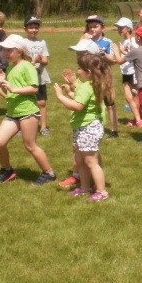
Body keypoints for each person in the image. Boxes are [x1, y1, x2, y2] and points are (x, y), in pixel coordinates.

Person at [0, 34, 57, 186]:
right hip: (12, 112)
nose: (6, 53)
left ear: (20, 51)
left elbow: (34, 88)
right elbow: (10, 92)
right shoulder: (11, 68)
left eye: (9, 50)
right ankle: (7, 170)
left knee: (30, 145)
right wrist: (1, 83)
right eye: (5, 50)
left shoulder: (27, 66)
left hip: (28, 112)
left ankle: (49, 173)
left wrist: (13, 88)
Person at [53, 53, 110, 202]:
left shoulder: (86, 87)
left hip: (88, 128)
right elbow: (82, 99)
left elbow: (78, 106)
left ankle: (102, 192)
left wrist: (60, 96)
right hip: (84, 128)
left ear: (88, 72)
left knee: (91, 162)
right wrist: (70, 90)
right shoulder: (93, 84)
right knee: (80, 161)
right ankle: (85, 188)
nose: (77, 71)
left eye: (79, 68)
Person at [112, 24, 142, 144]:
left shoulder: (137, 51)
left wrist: (116, 51)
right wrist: (123, 51)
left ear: (139, 38)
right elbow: (132, 55)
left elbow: (120, 61)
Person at [83, 14, 119, 137]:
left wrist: (103, 54)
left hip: (104, 75)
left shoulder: (107, 42)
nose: (92, 29)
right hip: (91, 75)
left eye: (95, 26)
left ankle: (114, 130)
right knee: (94, 102)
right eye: (90, 27)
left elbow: (113, 60)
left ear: (102, 28)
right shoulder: (86, 41)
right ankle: (96, 126)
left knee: (109, 102)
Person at [111, 17, 142, 128]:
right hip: (125, 72)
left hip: (133, 72)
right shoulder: (124, 42)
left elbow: (136, 55)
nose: (119, 29)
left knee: (134, 96)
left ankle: (138, 119)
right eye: (118, 27)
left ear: (128, 29)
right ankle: (138, 118)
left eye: (121, 27)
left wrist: (121, 51)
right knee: (128, 97)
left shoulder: (134, 41)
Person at [23, 15, 52, 136]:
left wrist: (40, 60)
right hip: (26, 77)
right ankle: (23, 126)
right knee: (25, 102)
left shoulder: (42, 42)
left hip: (40, 76)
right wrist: (30, 59)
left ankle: (43, 127)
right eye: (31, 27)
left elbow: (46, 61)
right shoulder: (22, 43)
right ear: (25, 29)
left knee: (42, 103)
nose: (34, 30)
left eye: (36, 27)